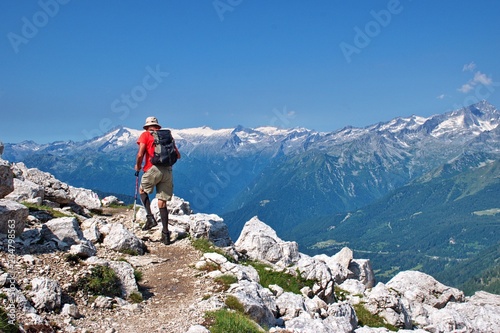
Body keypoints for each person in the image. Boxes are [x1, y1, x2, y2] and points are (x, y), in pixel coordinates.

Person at [134, 116, 180, 245]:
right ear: (158, 126)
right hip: (168, 170)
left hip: (153, 169)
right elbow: (178, 155)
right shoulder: (168, 137)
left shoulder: (145, 135)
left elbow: (140, 154)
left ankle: (150, 218)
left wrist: (138, 166)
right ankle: (166, 235)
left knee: (142, 190)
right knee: (162, 203)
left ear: (147, 126)